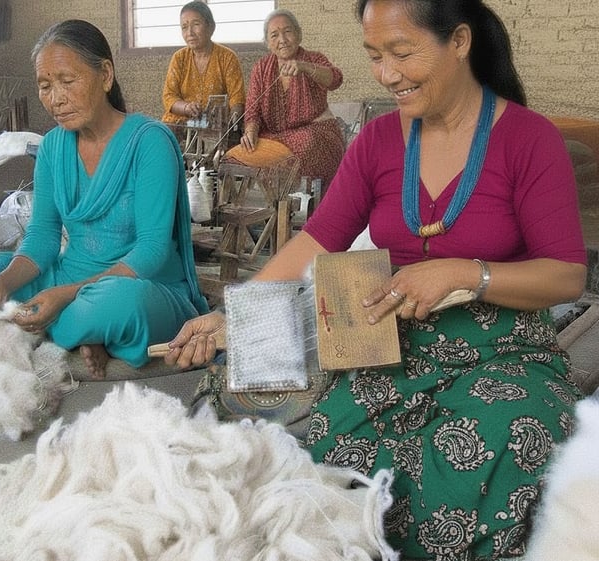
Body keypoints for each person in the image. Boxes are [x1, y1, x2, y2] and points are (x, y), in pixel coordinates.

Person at [163, 0, 588, 559]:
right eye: (374, 56)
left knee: (497, 446)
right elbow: (318, 239)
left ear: (460, 42)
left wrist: (465, 273)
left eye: (401, 53)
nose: (386, 74)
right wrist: (234, 315)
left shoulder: (529, 139)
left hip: (503, 350)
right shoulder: (379, 141)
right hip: (391, 345)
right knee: (334, 453)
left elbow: (565, 275)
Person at [0, 19, 209, 379]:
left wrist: (66, 295)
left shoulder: (149, 142)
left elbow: (152, 251)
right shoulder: (51, 147)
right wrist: (0, 288)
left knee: (119, 306)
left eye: (67, 81)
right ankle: (81, 332)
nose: (55, 98)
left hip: (139, 285)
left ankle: (64, 324)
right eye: (45, 86)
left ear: (105, 75)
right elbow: (42, 238)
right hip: (66, 276)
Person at [232, 9, 345, 190]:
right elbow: (253, 110)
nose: (282, 40)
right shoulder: (261, 68)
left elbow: (336, 79)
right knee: (237, 154)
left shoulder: (313, 58)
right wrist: (250, 132)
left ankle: (307, 199)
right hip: (275, 137)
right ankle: (275, 201)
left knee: (305, 143)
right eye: (274, 35)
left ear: (298, 34)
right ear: (268, 43)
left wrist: (305, 67)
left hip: (317, 134)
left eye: (287, 32)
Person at [161, 1, 245, 126]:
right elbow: (169, 96)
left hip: (214, 125)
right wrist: (186, 108)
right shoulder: (179, 58)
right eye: (184, 27)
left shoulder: (227, 58)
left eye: (196, 24)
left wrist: (233, 121)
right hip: (180, 122)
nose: (190, 33)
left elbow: (237, 98)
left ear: (211, 27)